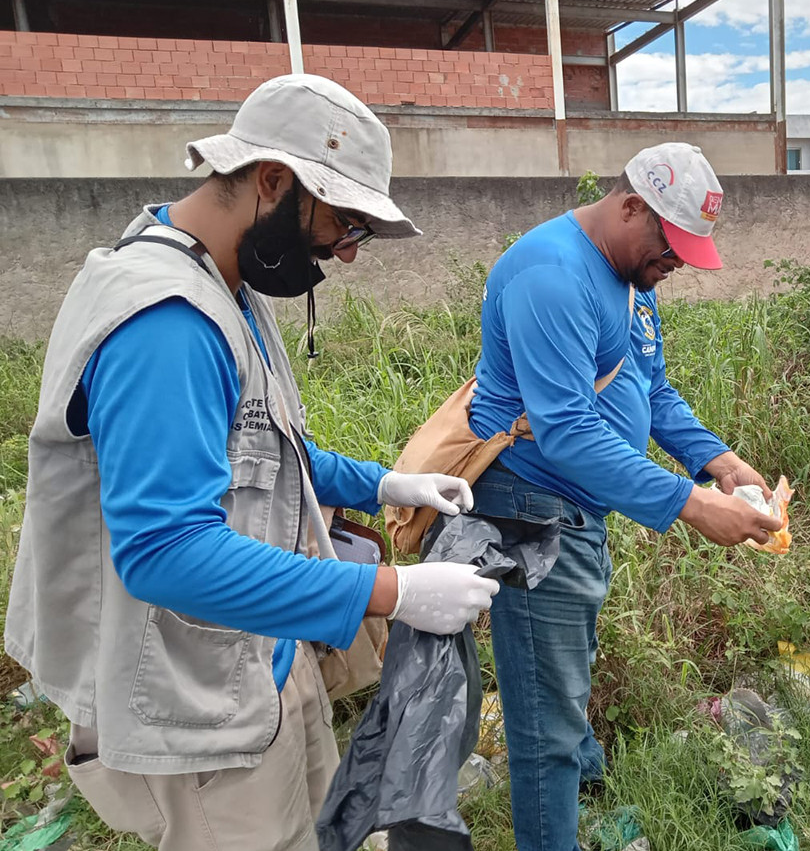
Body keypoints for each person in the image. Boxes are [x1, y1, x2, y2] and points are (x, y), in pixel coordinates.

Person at [3, 74, 500, 851]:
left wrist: (382, 483)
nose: (347, 252)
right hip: (192, 698)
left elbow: (263, 445)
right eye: (344, 222)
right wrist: (392, 590)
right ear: (273, 181)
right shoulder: (165, 324)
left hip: (260, 653)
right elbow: (165, 554)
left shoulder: (227, 285)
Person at [467, 142, 783, 850]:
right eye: (670, 246)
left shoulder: (633, 282)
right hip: (532, 510)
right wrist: (694, 505)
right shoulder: (552, 275)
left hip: (578, 510)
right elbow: (569, 433)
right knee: (545, 723)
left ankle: (581, 795)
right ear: (631, 205)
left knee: (567, 677)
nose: (674, 265)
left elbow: (651, 388)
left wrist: (721, 463)